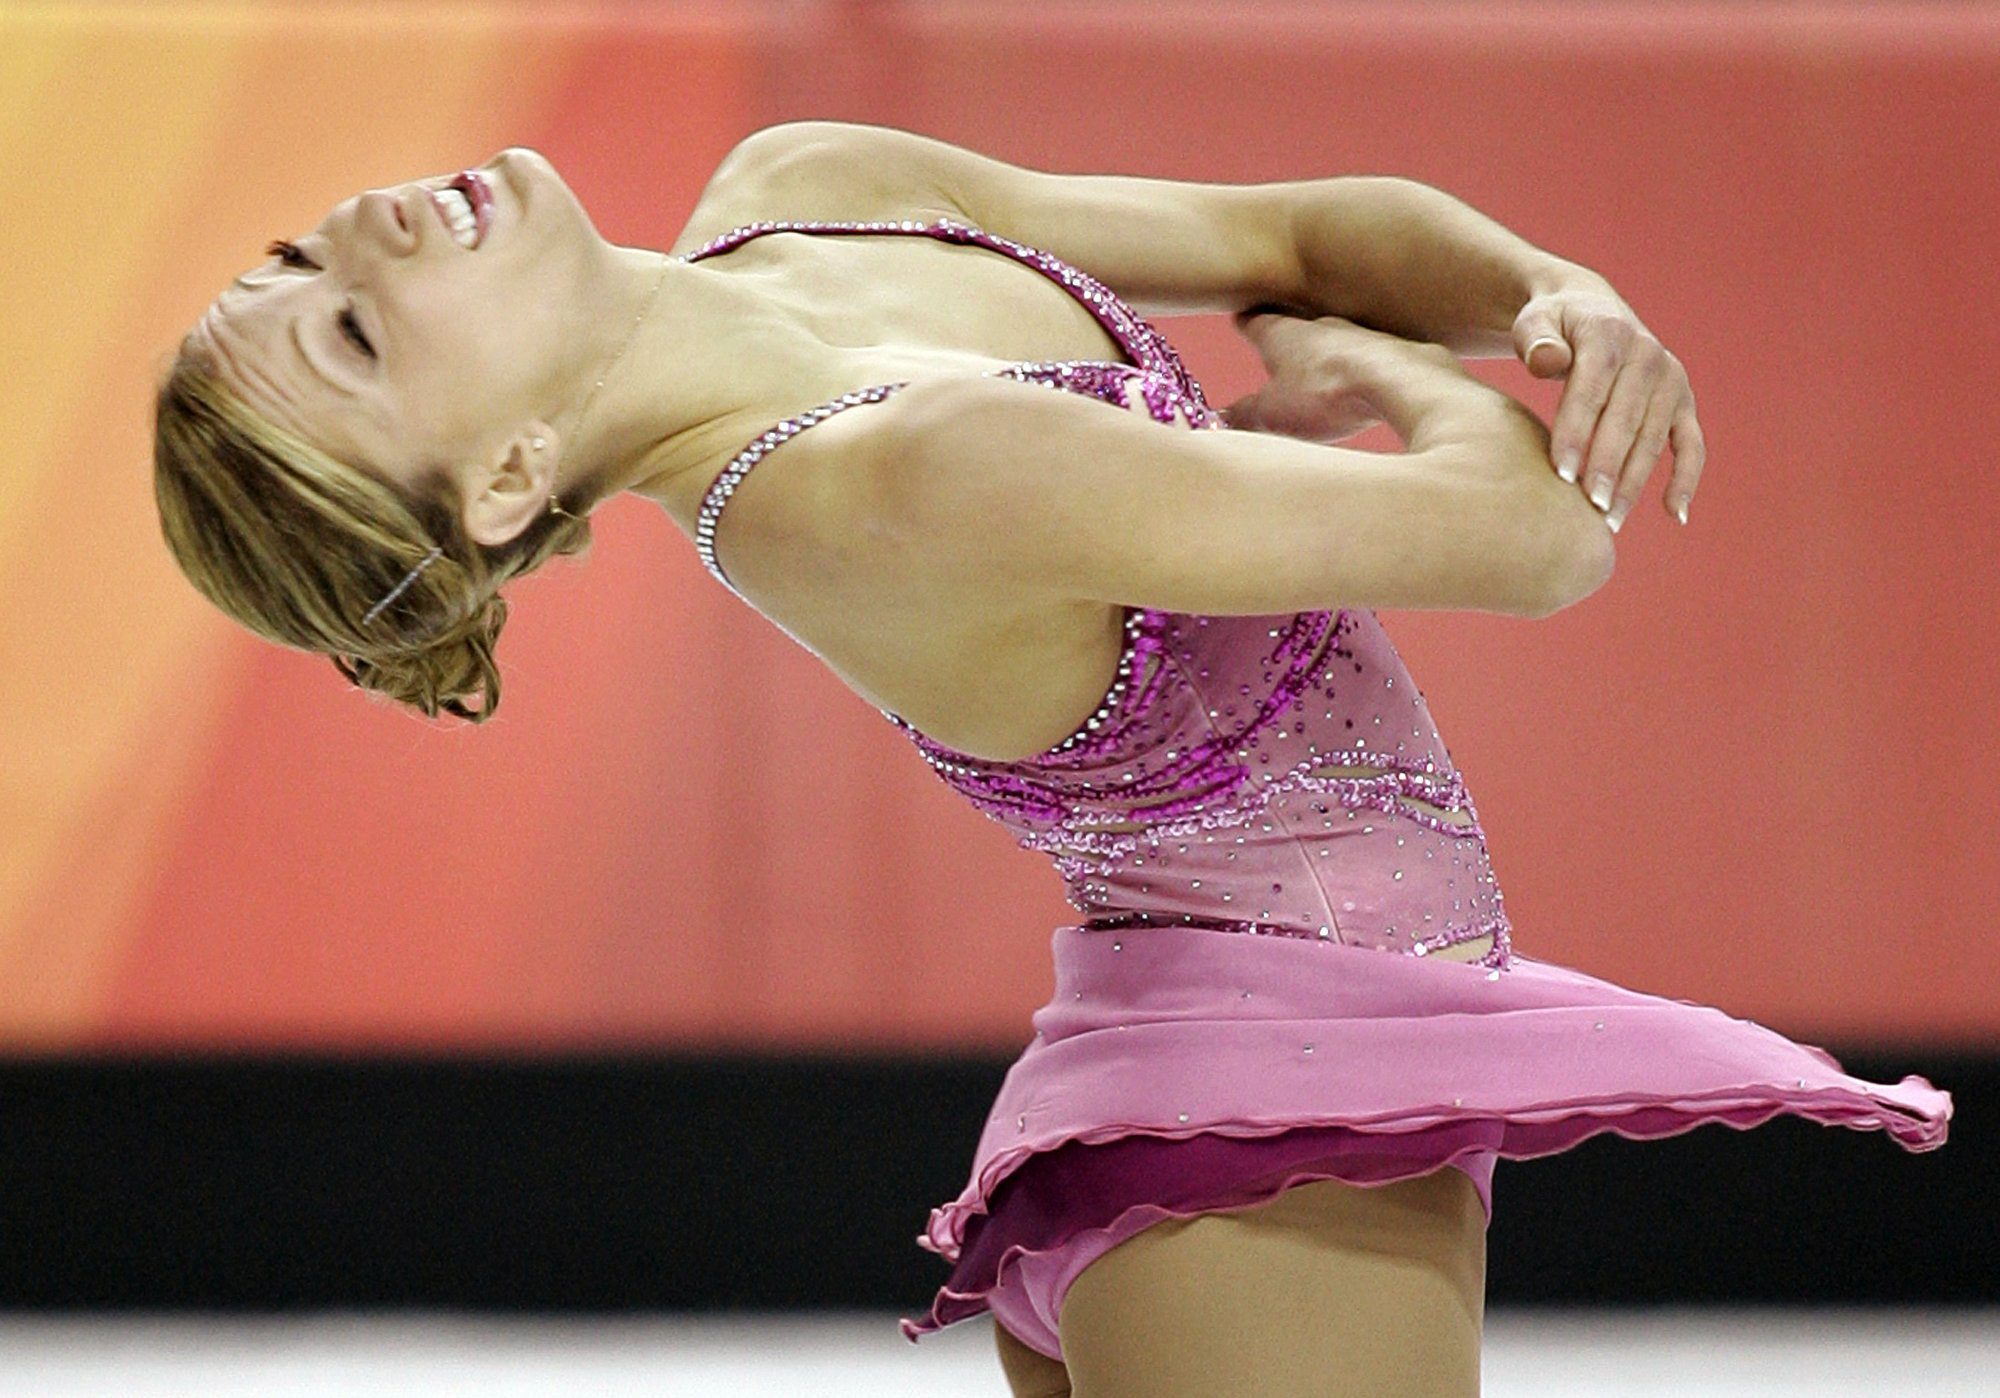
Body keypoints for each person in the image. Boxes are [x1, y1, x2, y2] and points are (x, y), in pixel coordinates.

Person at [153, 122, 1950, 1397]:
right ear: (501, 480)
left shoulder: (807, 186)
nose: (359, 226)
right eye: (355, 330)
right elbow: (1539, 540)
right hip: (1264, 1141)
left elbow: (1300, 229)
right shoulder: (887, 478)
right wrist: (1385, 373)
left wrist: (1554, 293)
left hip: (1243, 1093)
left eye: (300, 260)